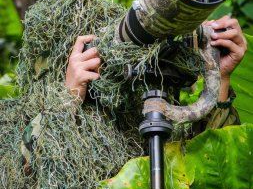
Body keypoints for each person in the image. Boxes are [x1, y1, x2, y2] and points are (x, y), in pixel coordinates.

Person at [65, 14, 247, 134]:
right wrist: (69, 100)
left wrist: (219, 75)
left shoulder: (175, 129)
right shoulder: (53, 107)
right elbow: (45, 175)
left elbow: (212, 165)